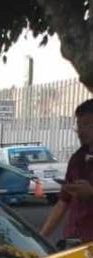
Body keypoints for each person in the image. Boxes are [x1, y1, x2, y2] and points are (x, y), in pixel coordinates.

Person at [41, 99, 93, 244]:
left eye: (87, 125)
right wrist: (40, 239)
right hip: (73, 242)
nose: (81, 132)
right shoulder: (77, 159)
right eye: (79, 125)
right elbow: (63, 202)